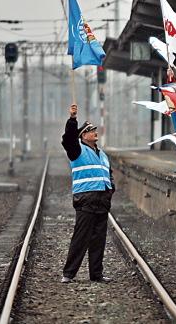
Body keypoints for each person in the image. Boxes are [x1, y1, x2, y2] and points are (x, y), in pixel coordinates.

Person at [60, 103, 114, 283]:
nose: (95, 132)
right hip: (85, 200)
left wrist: (110, 191)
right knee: (80, 238)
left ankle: (96, 274)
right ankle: (68, 274)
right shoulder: (77, 150)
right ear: (83, 135)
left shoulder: (102, 154)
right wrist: (72, 119)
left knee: (99, 240)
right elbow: (68, 139)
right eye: (91, 130)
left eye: (95, 130)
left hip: (102, 201)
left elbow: (109, 174)